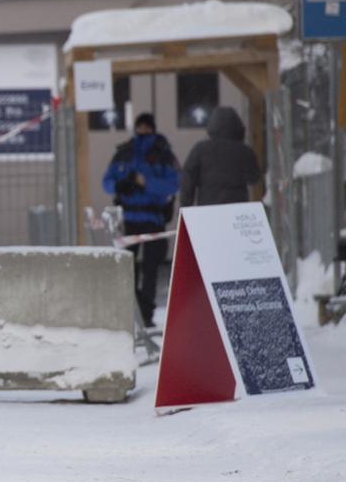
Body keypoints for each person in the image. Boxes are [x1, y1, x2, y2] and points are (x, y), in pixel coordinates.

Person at [102, 112, 179, 328]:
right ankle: (137, 308)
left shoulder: (163, 153)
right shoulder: (125, 152)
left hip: (153, 218)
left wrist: (147, 183)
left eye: (147, 127)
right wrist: (121, 185)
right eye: (140, 127)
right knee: (128, 268)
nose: (143, 130)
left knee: (151, 268)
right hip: (129, 218)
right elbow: (107, 181)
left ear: (152, 129)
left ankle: (145, 312)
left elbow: (173, 184)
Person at [180, 106, 262, 208]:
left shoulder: (200, 149)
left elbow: (188, 178)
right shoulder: (244, 151)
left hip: (209, 207)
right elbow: (254, 178)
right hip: (237, 208)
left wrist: (185, 205)